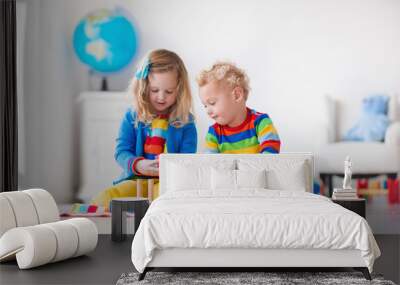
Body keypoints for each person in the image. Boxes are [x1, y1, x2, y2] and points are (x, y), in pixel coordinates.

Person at [91, 49, 197, 210]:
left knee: (164, 201)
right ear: (144, 86)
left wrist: (169, 167)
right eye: (155, 90)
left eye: (169, 91)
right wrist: (139, 165)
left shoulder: (186, 122)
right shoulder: (132, 116)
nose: (161, 97)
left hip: (167, 183)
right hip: (136, 179)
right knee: (105, 199)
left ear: (179, 90)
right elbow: (121, 152)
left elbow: (188, 159)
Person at [197, 61, 280, 154]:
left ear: (237, 95)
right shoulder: (213, 133)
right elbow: (211, 164)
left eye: (212, 103)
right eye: (205, 106)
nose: (208, 111)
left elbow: (271, 155)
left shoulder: (261, 122)